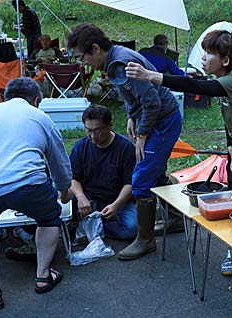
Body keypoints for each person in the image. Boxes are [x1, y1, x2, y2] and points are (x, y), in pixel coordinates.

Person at [125, 29, 232, 274]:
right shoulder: (225, 84)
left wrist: (149, 75)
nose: (204, 58)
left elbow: (194, 85)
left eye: (209, 54)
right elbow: (230, 118)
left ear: (225, 60)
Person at [67, 23, 182, 260]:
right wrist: (131, 116)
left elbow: (152, 103)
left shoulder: (123, 63)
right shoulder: (113, 63)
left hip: (163, 120)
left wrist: (142, 135)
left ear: (96, 49)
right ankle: (175, 219)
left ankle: (145, 240)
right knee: (153, 170)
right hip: (150, 119)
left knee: (141, 180)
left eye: (82, 57)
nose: (83, 63)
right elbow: (131, 95)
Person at [0, 77, 72, 310]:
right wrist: (64, 190)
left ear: (4, 95)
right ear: (36, 100)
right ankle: (43, 276)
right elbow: (58, 161)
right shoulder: (40, 116)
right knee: (49, 218)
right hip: (28, 183)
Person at [69, 104, 137, 241]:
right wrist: (81, 197)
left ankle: (91, 225)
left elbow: (130, 184)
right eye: (88, 130)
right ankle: (92, 224)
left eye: (98, 130)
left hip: (117, 200)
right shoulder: (80, 147)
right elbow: (72, 178)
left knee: (131, 229)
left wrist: (116, 205)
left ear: (109, 126)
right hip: (89, 199)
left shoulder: (126, 148)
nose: (93, 136)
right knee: (62, 198)